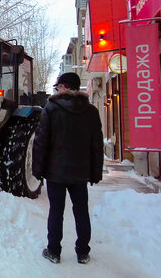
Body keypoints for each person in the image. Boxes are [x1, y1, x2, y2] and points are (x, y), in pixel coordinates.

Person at [32, 72, 103, 265]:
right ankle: (83, 252)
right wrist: (96, 172)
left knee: (56, 211)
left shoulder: (51, 109)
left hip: (55, 173)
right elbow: (97, 145)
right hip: (81, 173)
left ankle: (53, 251)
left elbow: (41, 142)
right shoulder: (91, 111)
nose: (56, 89)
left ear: (64, 86)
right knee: (81, 211)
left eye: (58, 86)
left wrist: (37, 170)